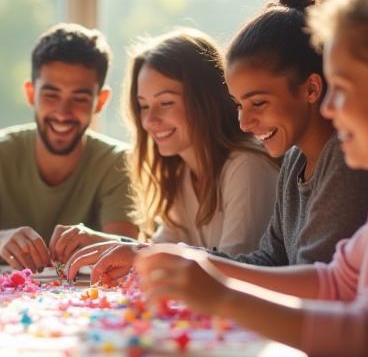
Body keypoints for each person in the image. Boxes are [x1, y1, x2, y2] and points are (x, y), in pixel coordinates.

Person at [135, 0, 368, 357]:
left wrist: (220, 296)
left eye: (343, 90)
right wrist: (198, 266)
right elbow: (333, 280)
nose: (331, 110)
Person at [66, 29, 278, 283]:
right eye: (143, 106)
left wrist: (132, 251)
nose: (150, 120)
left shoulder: (247, 167)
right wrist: (103, 243)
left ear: (205, 100)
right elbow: (159, 252)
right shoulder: (181, 172)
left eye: (165, 103)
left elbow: (234, 273)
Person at [0, 23, 138, 271]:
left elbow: (127, 252)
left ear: (100, 101)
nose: (62, 112)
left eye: (79, 98)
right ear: (30, 93)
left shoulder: (119, 161)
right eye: (51, 94)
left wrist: (97, 241)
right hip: (5, 303)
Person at [219, 0, 368, 267]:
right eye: (239, 105)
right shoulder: (295, 160)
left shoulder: (346, 156)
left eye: (258, 103)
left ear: (311, 88)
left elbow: (316, 280)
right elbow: (271, 260)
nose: (244, 123)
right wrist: (180, 257)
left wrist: (198, 269)